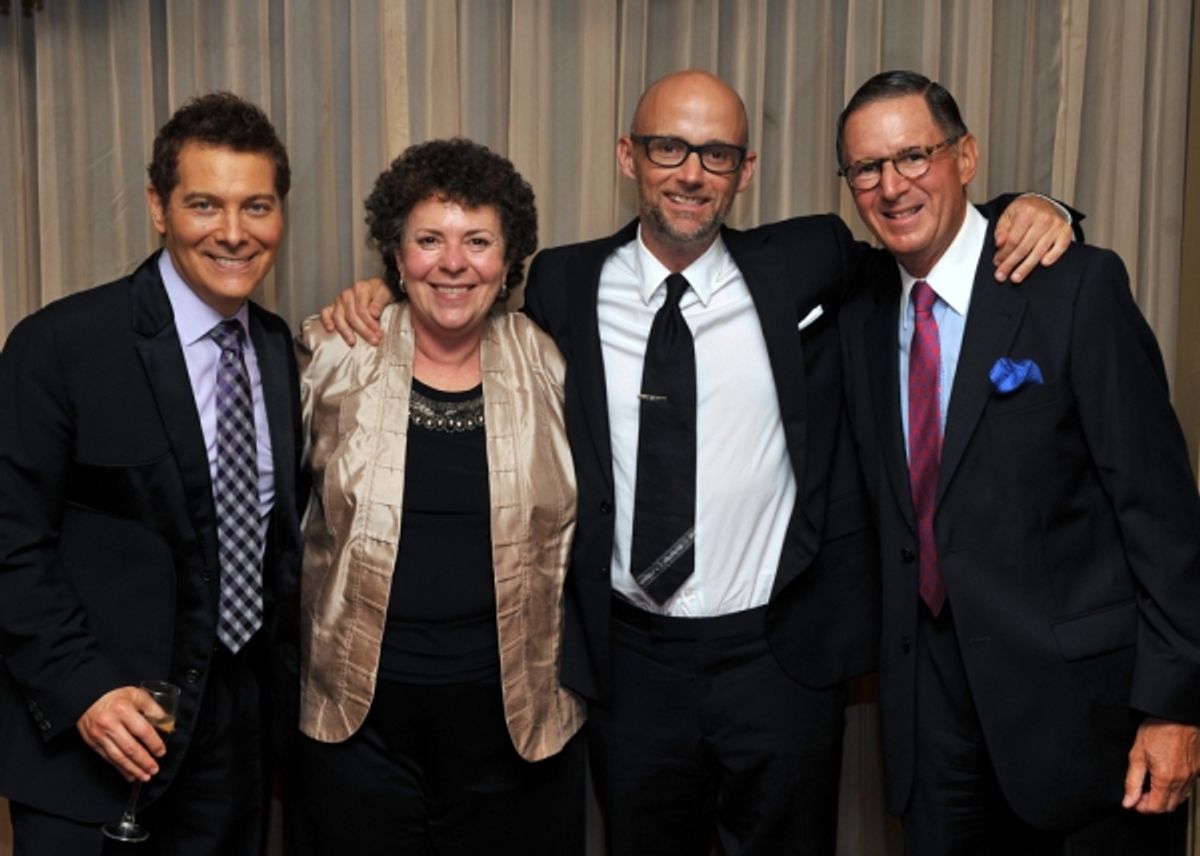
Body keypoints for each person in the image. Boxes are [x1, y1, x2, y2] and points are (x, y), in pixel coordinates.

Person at [322, 70, 1073, 855]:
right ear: (628, 156)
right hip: (631, 661)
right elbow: (459, 296)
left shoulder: (808, 259)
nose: (691, 172)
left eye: (716, 154)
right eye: (669, 147)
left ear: (746, 171)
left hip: (780, 657)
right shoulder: (563, 283)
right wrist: (382, 297)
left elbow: (928, 230)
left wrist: (1042, 210)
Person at [836, 70, 1200, 855]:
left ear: (966, 156)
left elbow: (1161, 513)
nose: (891, 186)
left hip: (1085, 726)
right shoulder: (861, 312)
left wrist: (1177, 706)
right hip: (931, 729)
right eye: (867, 168)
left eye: (913, 157)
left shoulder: (1074, 287)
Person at [0, 92, 303, 854]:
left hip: (231, 749)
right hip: (92, 745)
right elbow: (10, 541)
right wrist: (86, 689)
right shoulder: (60, 346)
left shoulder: (277, 351)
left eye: (256, 206)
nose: (233, 233)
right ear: (158, 208)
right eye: (205, 204)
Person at [285, 138, 585, 856]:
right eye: (429, 241)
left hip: (515, 725)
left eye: (477, 241)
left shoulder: (552, 361)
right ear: (396, 255)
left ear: (509, 261)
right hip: (357, 728)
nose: (453, 263)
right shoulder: (331, 354)